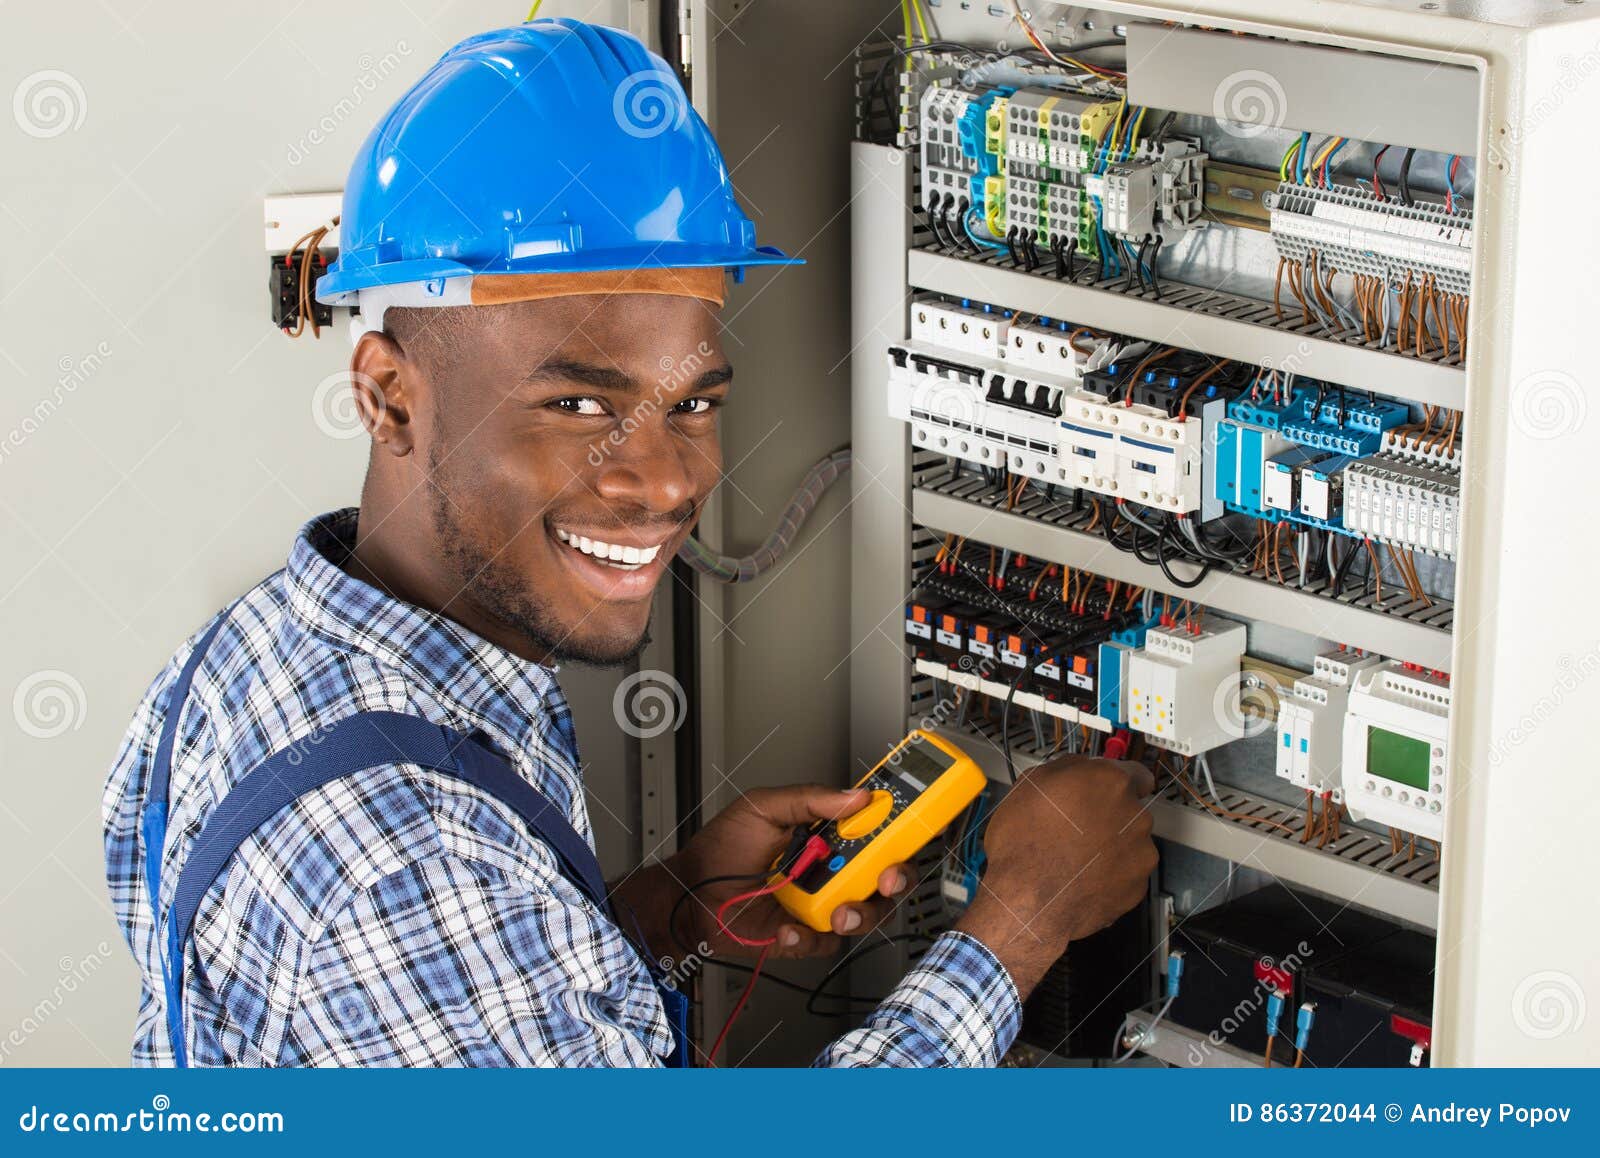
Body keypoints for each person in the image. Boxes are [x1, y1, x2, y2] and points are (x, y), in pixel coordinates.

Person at [102, 18, 1156, 1067]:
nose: (667, 480)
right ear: (388, 397)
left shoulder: (241, 657)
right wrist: (1019, 924)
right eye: (573, 404)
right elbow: (431, 939)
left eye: (693, 405)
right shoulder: (408, 865)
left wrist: (667, 911)